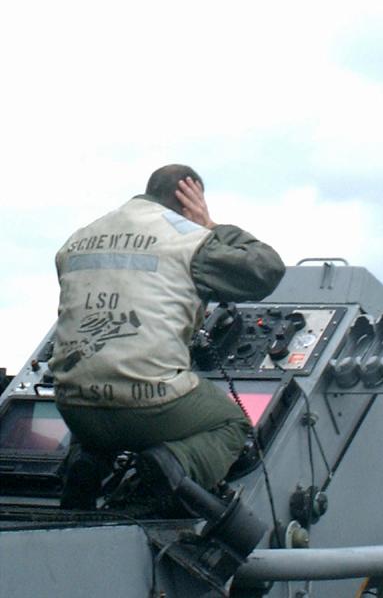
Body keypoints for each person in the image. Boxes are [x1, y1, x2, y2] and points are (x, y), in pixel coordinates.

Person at [49, 164, 285, 509]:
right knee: (233, 423)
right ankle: (169, 466)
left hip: (73, 406)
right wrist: (211, 226)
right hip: (150, 404)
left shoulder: (78, 238)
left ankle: (86, 463)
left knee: (99, 400)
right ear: (191, 197)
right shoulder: (188, 240)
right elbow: (266, 269)